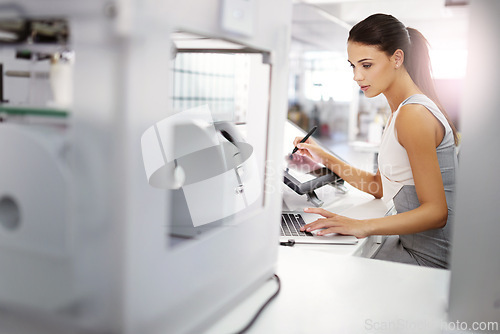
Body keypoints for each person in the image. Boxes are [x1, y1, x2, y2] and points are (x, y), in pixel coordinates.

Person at [294, 13, 458, 269]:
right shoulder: (400, 112)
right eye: (353, 65)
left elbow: (436, 212)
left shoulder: (413, 115)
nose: (357, 76)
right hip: (411, 246)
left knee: (320, 267)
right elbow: (378, 186)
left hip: (427, 260)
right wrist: (323, 156)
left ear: (397, 58)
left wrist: (360, 226)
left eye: (366, 65)